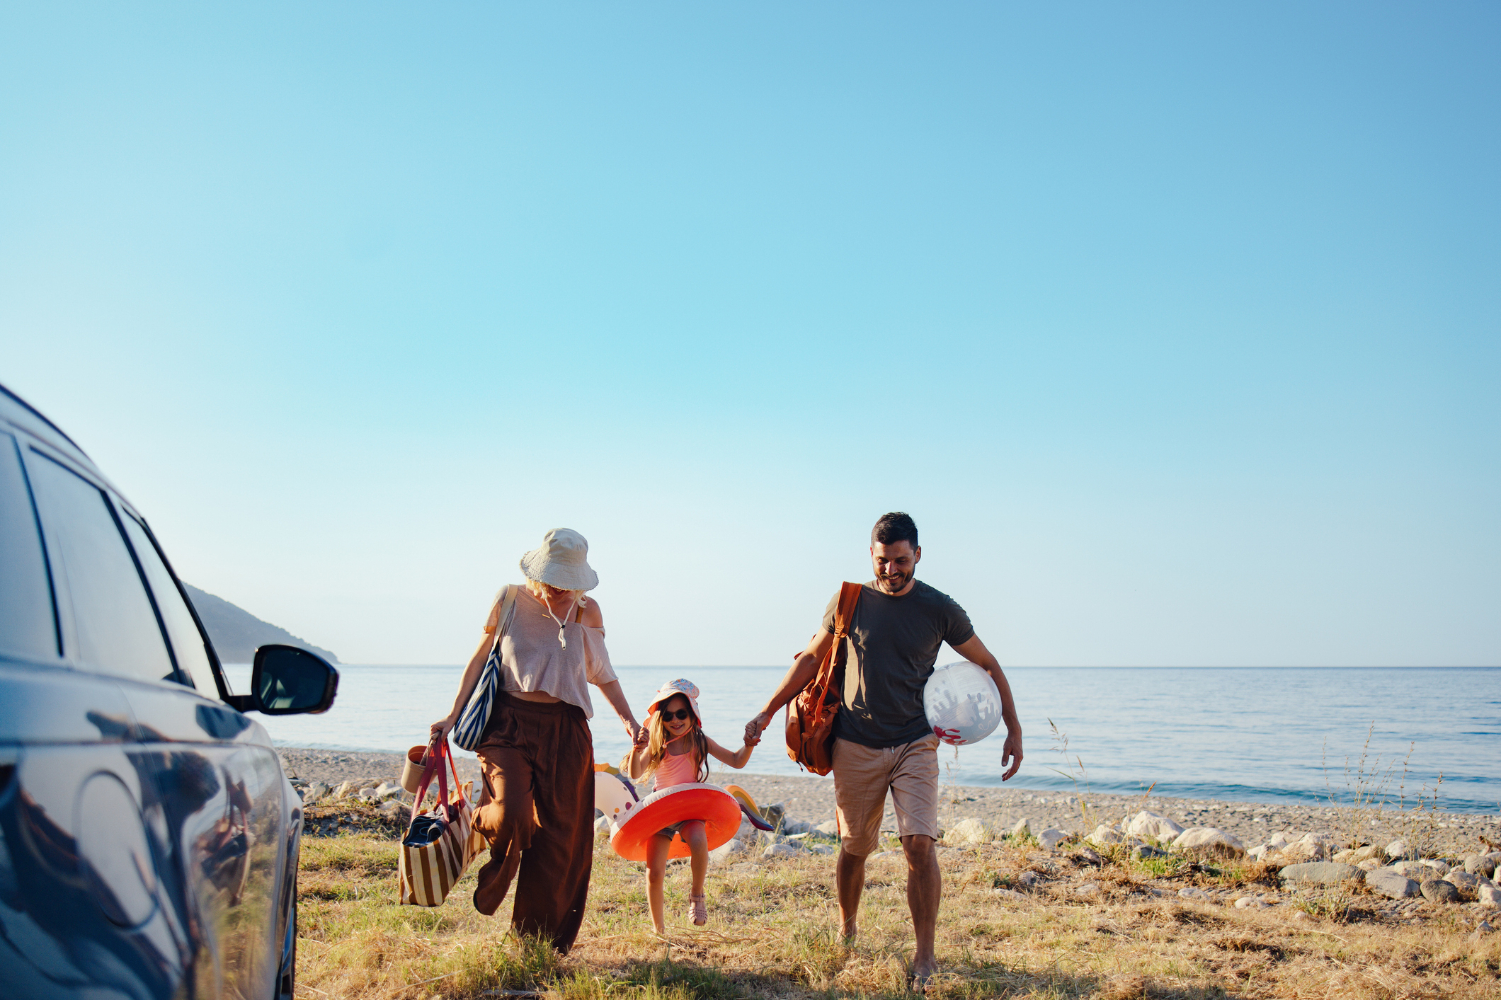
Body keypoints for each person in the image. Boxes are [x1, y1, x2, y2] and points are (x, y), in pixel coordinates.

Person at [743, 512, 1022, 988]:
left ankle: (925, 956)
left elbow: (989, 664)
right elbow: (810, 658)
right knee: (855, 848)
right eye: (882, 561)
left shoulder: (940, 608)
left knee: (919, 844)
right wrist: (768, 710)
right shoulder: (849, 601)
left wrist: (1012, 729)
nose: (891, 570)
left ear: (918, 555)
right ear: (871, 556)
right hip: (856, 743)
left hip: (916, 740)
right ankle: (847, 929)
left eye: (900, 561)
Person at [430, 528, 646, 953]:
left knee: (559, 842)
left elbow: (602, 672)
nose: (559, 588)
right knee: (511, 813)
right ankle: (484, 826)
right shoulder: (510, 599)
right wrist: (451, 714)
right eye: (552, 578)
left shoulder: (587, 611)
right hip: (508, 723)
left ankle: (535, 943)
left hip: (566, 731)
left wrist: (629, 719)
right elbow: (479, 657)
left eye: (567, 581)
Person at [625, 679, 759, 933]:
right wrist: (637, 749)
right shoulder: (658, 743)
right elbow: (635, 773)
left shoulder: (700, 741)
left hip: (690, 809)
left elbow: (736, 761)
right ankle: (659, 929)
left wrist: (749, 745)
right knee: (654, 873)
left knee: (698, 841)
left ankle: (697, 895)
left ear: (692, 714)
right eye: (668, 715)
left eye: (681, 714)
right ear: (660, 718)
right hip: (662, 809)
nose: (675, 720)